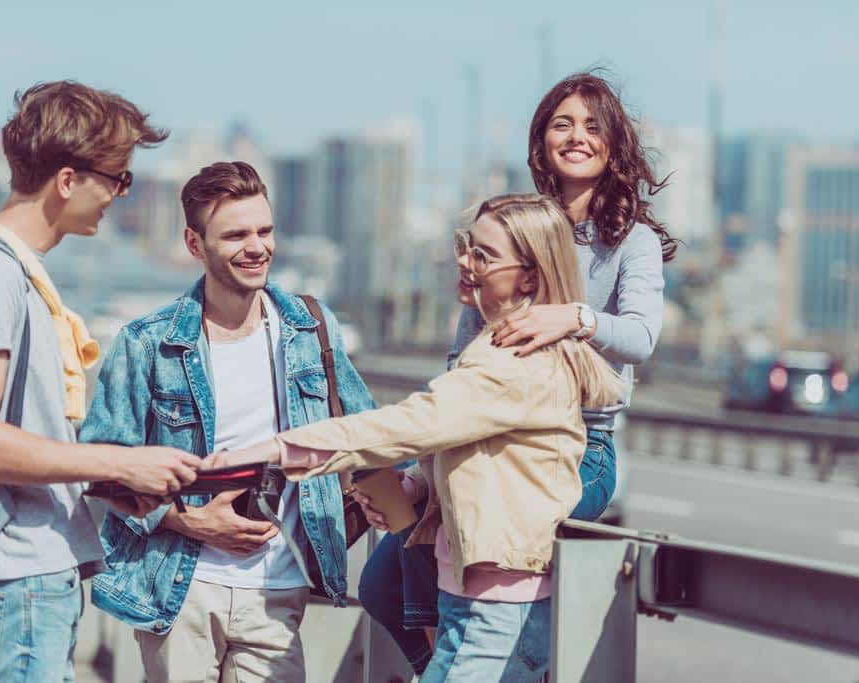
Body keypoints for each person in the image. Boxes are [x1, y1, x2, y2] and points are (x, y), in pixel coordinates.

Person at [206, 193, 625, 682]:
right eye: (467, 246)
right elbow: (488, 457)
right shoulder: (500, 348)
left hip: (496, 615)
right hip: (476, 604)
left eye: (485, 255)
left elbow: (410, 424)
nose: (467, 262)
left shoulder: (516, 363)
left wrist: (279, 448)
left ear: (529, 276)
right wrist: (418, 489)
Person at [357, 69, 679, 673]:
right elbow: (460, 360)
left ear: (614, 145)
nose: (576, 136)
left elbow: (640, 337)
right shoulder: (508, 230)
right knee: (382, 582)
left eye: (592, 125)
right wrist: (421, 467)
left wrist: (572, 318)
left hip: (580, 445)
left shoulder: (629, 242)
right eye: (562, 123)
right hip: (483, 434)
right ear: (541, 141)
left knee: (475, 557)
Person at [0, 80, 202, 683]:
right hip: (12, 580)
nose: (122, 194)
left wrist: (101, 480)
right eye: (119, 177)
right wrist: (119, 463)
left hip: (30, 578)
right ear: (68, 180)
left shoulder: (11, 273)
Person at [78, 161, 375, 683]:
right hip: (180, 586)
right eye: (235, 235)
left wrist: (420, 494)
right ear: (195, 245)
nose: (256, 246)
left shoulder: (312, 329)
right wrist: (183, 520)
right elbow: (101, 469)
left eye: (264, 230)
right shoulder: (147, 342)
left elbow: (370, 431)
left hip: (280, 588)